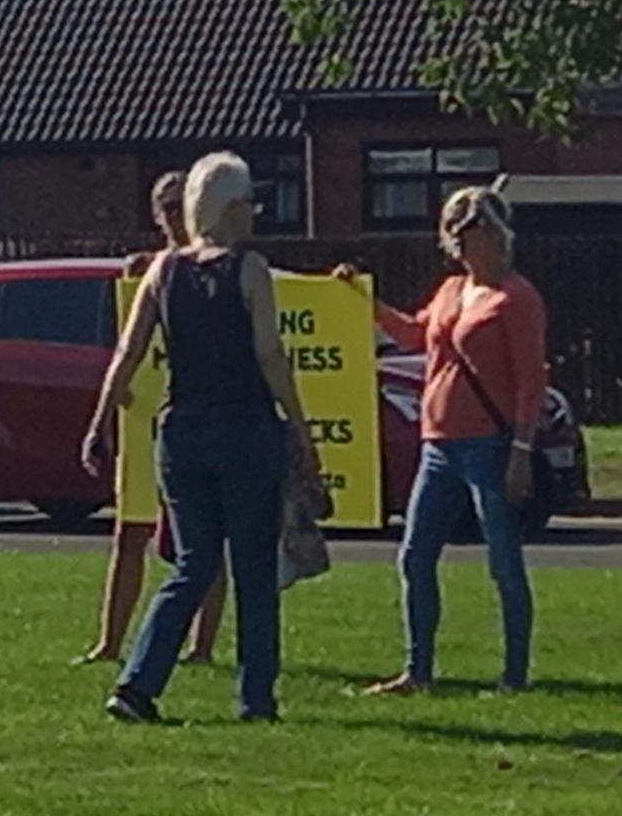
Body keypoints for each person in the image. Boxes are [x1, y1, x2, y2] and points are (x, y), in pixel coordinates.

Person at [83, 153, 321, 723]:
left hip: (182, 432)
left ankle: (137, 684)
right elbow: (270, 354)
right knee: (253, 570)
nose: (255, 216)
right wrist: (302, 430)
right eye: (250, 205)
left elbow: (129, 352)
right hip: (245, 430)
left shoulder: (163, 271)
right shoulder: (250, 270)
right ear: (232, 208)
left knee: (193, 564)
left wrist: (98, 423)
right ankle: (255, 699)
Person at [363, 187, 547, 695]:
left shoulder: (517, 298)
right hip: (437, 445)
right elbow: (417, 335)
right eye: (452, 236)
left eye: (464, 234)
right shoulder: (450, 290)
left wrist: (522, 453)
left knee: (503, 561)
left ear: (489, 232)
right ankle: (417, 670)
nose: (456, 246)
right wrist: (367, 303)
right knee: (415, 556)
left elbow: (531, 381)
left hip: (489, 444)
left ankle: (515, 676)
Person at [77, 173, 225, 665]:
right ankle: (110, 644)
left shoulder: (225, 265)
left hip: (204, 414)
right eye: (163, 206)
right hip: (147, 416)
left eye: (178, 204)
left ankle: (200, 647)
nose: (170, 215)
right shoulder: (153, 273)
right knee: (130, 531)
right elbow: (126, 352)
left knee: (204, 538)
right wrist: (101, 420)